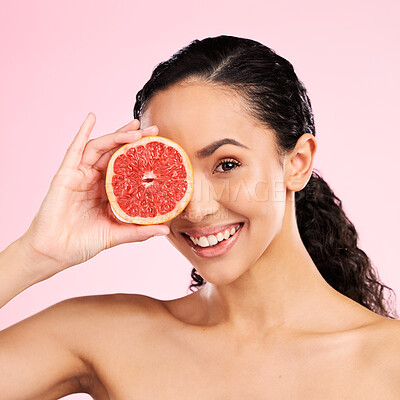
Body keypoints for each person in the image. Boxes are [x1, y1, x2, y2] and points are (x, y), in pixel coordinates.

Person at [1, 35, 399, 399]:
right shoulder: (103, 335)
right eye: (174, 174)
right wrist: (36, 253)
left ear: (297, 163)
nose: (195, 207)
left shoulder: (388, 362)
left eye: (226, 164)